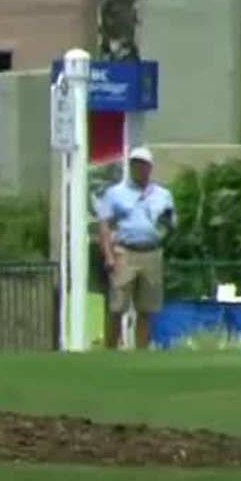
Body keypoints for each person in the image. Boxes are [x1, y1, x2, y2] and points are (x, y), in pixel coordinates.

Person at [95, 147, 175, 351]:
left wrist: (169, 221)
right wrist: (108, 255)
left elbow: (172, 223)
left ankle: (141, 351)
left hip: (151, 251)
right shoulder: (115, 193)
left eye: (143, 164)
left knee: (147, 308)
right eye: (135, 164)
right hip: (125, 251)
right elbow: (104, 225)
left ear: (150, 167)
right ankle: (110, 349)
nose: (139, 168)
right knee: (117, 306)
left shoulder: (162, 194)